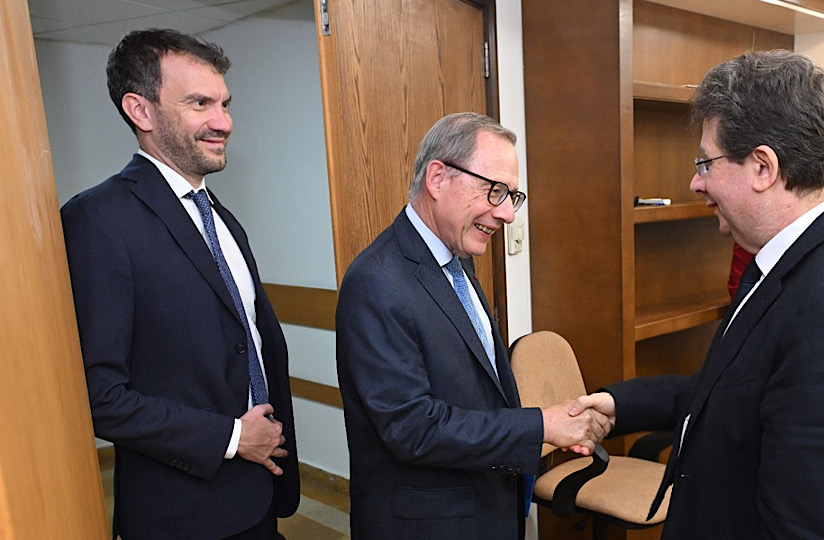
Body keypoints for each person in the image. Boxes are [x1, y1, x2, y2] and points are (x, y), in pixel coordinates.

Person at [570, 50, 824, 539]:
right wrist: (621, 404)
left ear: (763, 166)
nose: (695, 183)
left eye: (706, 163)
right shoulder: (802, 251)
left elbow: (813, 527)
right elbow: (738, 392)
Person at [61, 29, 298, 539]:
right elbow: (99, 397)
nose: (224, 122)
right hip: (181, 516)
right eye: (199, 104)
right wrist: (232, 437)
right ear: (140, 111)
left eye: (225, 104)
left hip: (259, 499)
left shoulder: (222, 219)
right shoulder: (98, 220)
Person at [336, 112, 611, 540]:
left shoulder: (456, 259)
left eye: (512, 196)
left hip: (484, 507)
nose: (507, 214)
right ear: (438, 178)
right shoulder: (376, 282)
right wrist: (542, 425)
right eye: (494, 191)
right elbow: (412, 428)